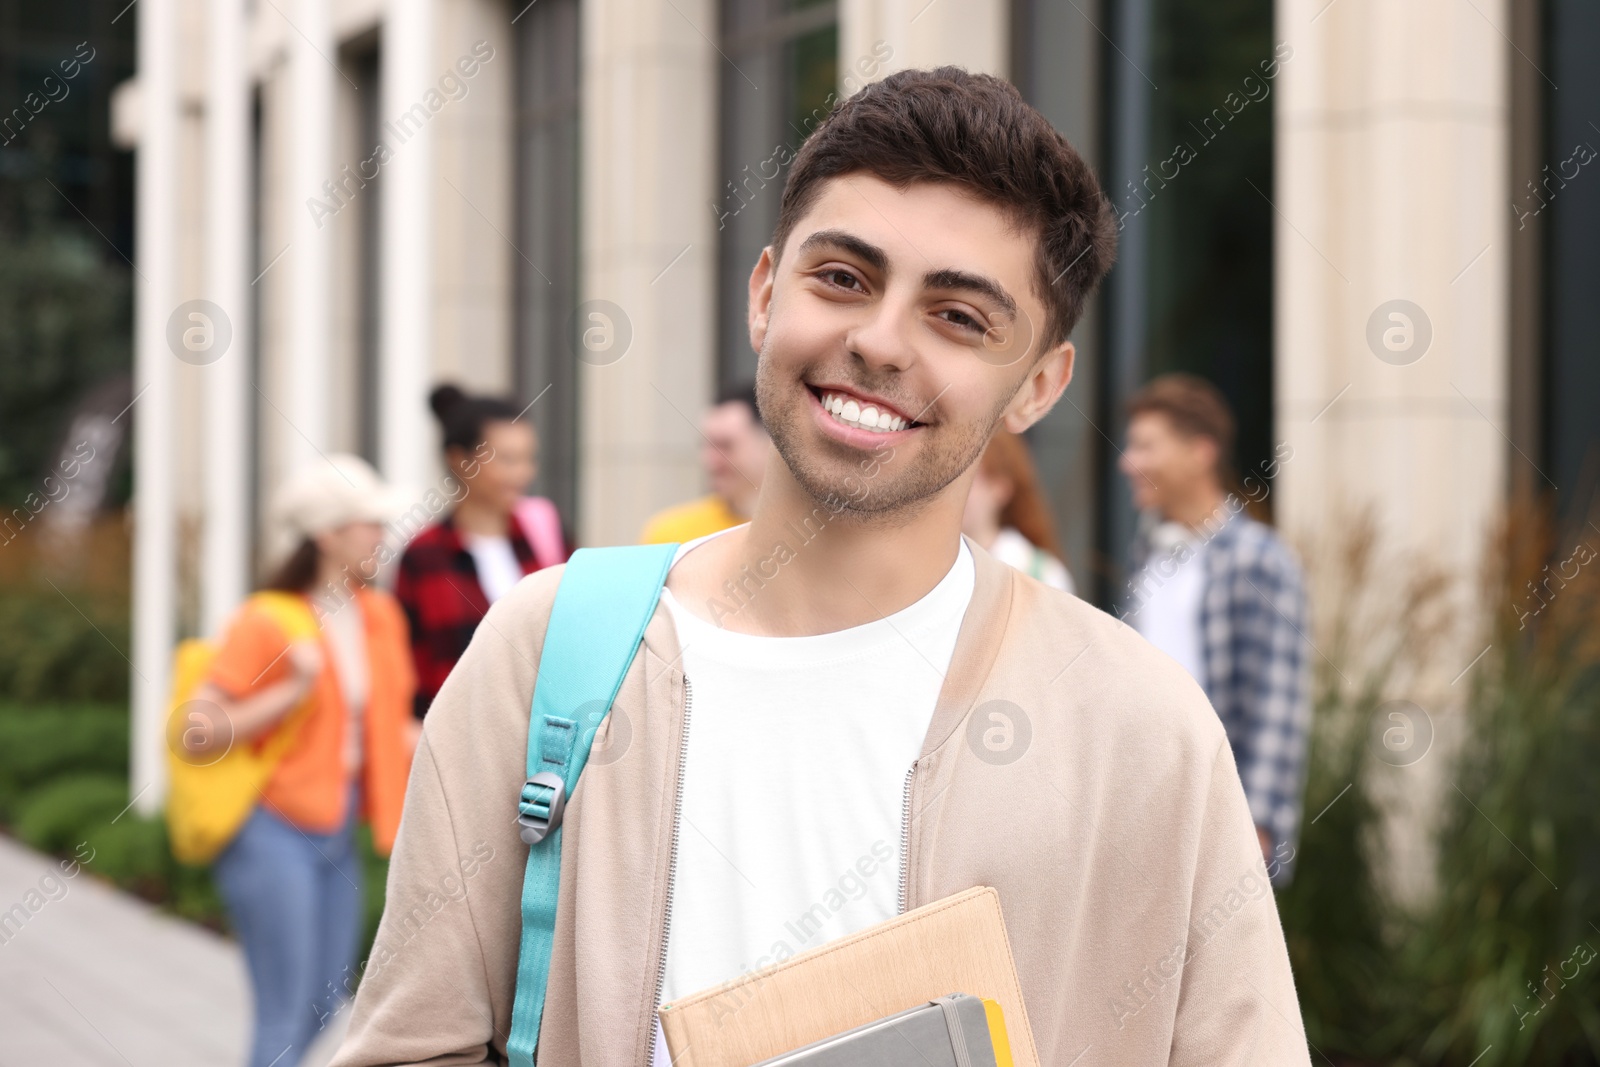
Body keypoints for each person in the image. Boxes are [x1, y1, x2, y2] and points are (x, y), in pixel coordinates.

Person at [333, 68, 1311, 1067]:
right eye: (842, 277)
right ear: (765, 294)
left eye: (958, 317)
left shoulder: (1139, 725)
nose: (878, 341)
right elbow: (409, 1043)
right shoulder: (553, 647)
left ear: (1038, 386)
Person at [195, 455, 416, 1067]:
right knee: (285, 1011)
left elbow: (390, 728)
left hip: (340, 823)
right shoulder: (267, 620)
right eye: (370, 523)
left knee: (325, 1003)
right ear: (327, 535)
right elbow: (199, 730)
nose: (382, 536)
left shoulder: (379, 616)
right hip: (271, 828)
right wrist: (287, 692)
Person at [1118, 373, 1311, 885]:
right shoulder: (1147, 556)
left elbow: (1278, 699)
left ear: (1199, 452)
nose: (1128, 462)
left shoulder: (1259, 559)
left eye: (1144, 447)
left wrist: (1260, 823)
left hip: (1221, 816)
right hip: (1144, 813)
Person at [396, 385, 565, 720]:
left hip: (540, 731)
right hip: (457, 732)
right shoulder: (424, 554)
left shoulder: (545, 530)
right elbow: (407, 666)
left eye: (529, 459)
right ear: (460, 461)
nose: (523, 473)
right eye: (507, 459)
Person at [639, 381, 771, 543]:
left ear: (771, 446)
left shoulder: (805, 528)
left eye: (725, 445)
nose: (709, 460)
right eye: (706, 445)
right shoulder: (670, 533)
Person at [961, 429, 1075, 593]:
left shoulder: (1040, 574)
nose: (952, 492)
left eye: (968, 479)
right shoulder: (928, 568)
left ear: (1000, 488)